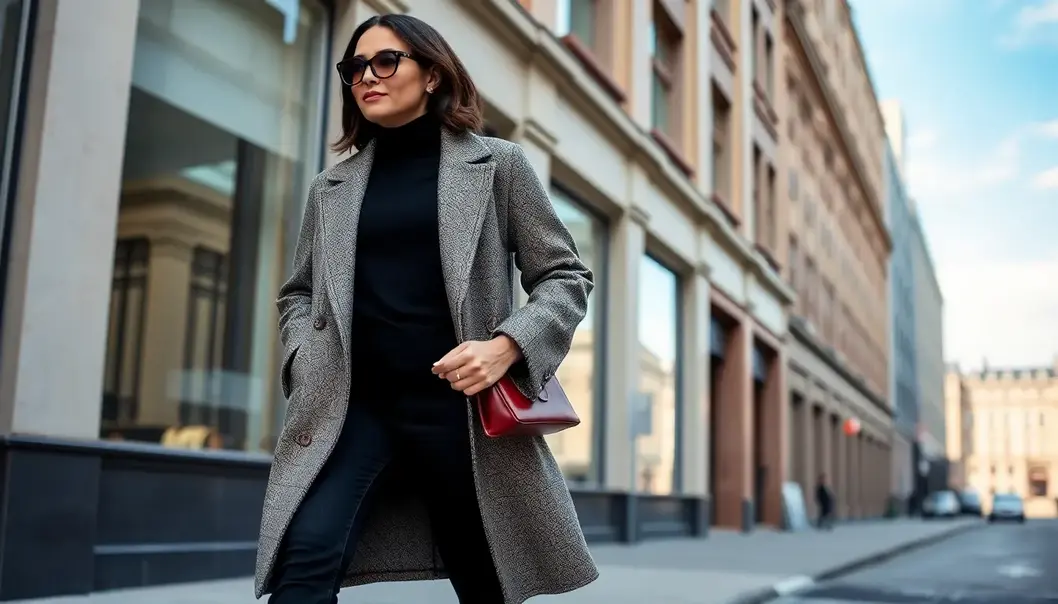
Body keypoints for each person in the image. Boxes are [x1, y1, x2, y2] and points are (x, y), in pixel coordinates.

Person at [253, 13, 599, 604]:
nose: (367, 77)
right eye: (355, 67)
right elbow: (299, 293)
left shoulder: (497, 166)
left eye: (386, 61)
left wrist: (507, 347)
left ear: (432, 75)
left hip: (460, 414)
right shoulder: (331, 189)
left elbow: (565, 275)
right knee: (301, 572)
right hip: (353, 411)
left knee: (486, 582)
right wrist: (305, 359)